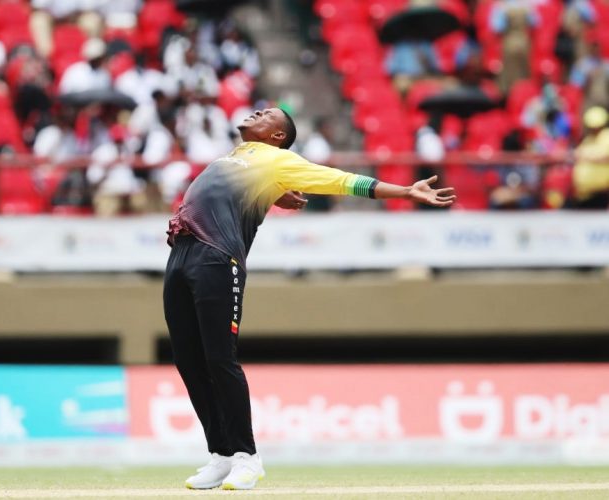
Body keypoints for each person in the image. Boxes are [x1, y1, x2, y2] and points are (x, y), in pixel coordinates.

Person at [163, 107, 455, 491]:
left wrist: (403, 190)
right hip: (181, 254)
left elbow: (342, 181)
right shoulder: (239, 156)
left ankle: (247, 458)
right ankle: (219, 455)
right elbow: (244, 187)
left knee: (219, 359)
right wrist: (276, 194)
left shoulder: (281, 159)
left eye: (267, 114)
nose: (257, 111)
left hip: (218, 258)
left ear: (278, 136)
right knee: (187, 359)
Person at [572, 106, 609, 208]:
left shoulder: (606, 136)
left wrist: (587, 157)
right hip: (584, 193)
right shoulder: (588, 139)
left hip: (602, 192)